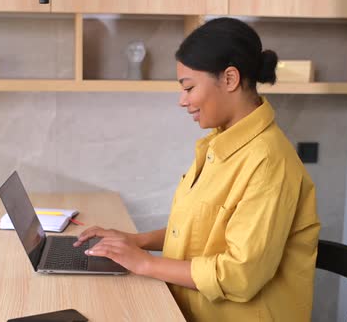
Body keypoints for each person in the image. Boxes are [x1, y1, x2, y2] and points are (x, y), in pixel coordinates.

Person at [73, 17, 321, 322]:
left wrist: (145, 264)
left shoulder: (268, 162)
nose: (182, 101)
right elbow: (200, 232)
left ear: (230, 79)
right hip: (187, 307)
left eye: (189, 88)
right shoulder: (220, 145)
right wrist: (137, 242)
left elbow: (240, 275)